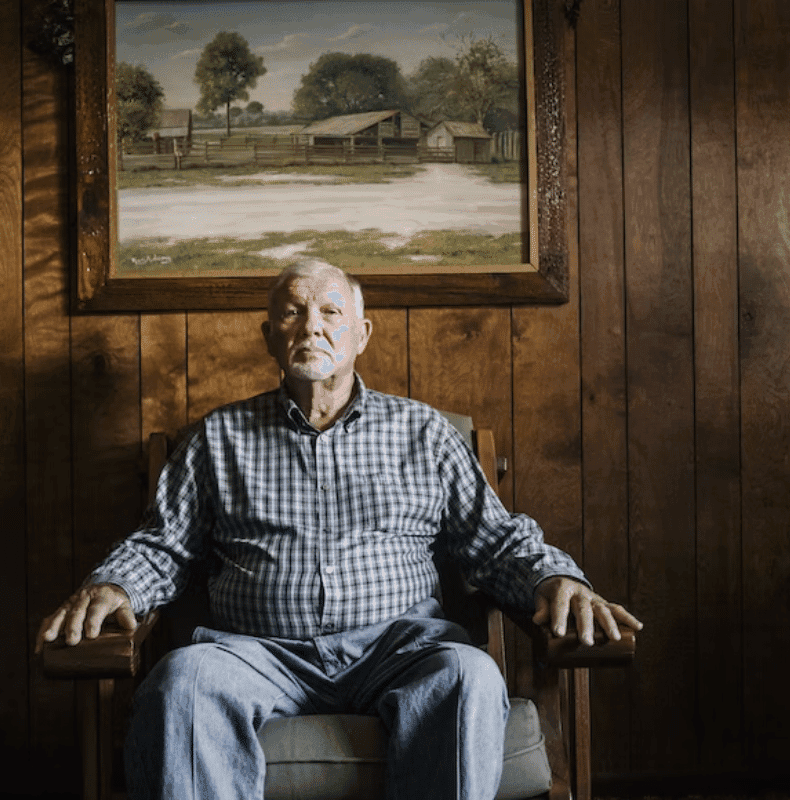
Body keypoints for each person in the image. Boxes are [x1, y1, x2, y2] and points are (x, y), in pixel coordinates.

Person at [37, 262, 643, 800]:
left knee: (467, 673)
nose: (311, 326)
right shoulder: (217, 438)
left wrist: (555, 576)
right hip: (256, 652)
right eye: (293, 312)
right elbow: (163, 545)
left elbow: (494, 539)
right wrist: (115, 585)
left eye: (330, 311)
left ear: (361, 333)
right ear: (269, 335)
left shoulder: (425, 434)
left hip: (397, 646)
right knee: (182, 682)